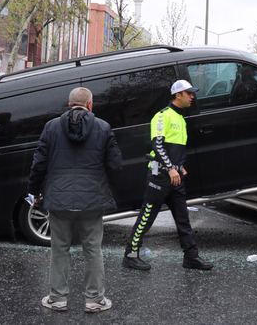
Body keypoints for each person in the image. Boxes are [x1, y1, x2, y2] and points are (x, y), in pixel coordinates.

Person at [26, 87, 122, 313]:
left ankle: (57, 298)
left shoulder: (51, 127)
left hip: (58, 199)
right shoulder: (103, 127)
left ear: (69, 104)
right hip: (92, 200)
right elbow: (116, 165)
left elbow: (38, 164)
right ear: (90, 105)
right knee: (93, 249)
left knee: (59, 249)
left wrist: (34, 191)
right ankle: (94, 300)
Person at [122, 79, 213, 271]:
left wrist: (180, 166)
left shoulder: (180, 118)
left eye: (192, 93)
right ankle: (130, 255)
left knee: (183, 219)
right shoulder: (162, 116)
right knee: (146, 217)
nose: (192, 97)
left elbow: (175, 148)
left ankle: (191, 257)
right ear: (177, 95)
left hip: (175, 176)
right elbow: (158, 145)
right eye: (189, 93)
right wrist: (171, 167)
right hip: (160, 177)